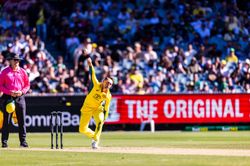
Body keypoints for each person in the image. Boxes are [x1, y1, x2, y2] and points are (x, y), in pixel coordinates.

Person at [79, 57, 113, 149]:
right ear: (103, 81)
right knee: (82, 129)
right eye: (107, 82)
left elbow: (106, 108)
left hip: (97, 109)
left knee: (100, 122)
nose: (108, 85)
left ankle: (95, 141)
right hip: (87, 107)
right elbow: (92, 74)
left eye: (110, 84)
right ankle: (95, 136)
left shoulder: (108, 96)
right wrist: (90, 64)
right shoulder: (96, 84)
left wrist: (105, 118)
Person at [0, 53, 30, 148]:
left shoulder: (23, 72)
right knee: (7, 121)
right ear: (10, 61)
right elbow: (0, 86)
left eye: (18, 60)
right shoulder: (4, 72)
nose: (17, 62)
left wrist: (22, 92)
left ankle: (23, 142)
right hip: (8, 98)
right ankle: (4, 142)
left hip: (20, 97)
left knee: (22, 121)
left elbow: (27, 85)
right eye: (15, 60)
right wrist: (9, 92)